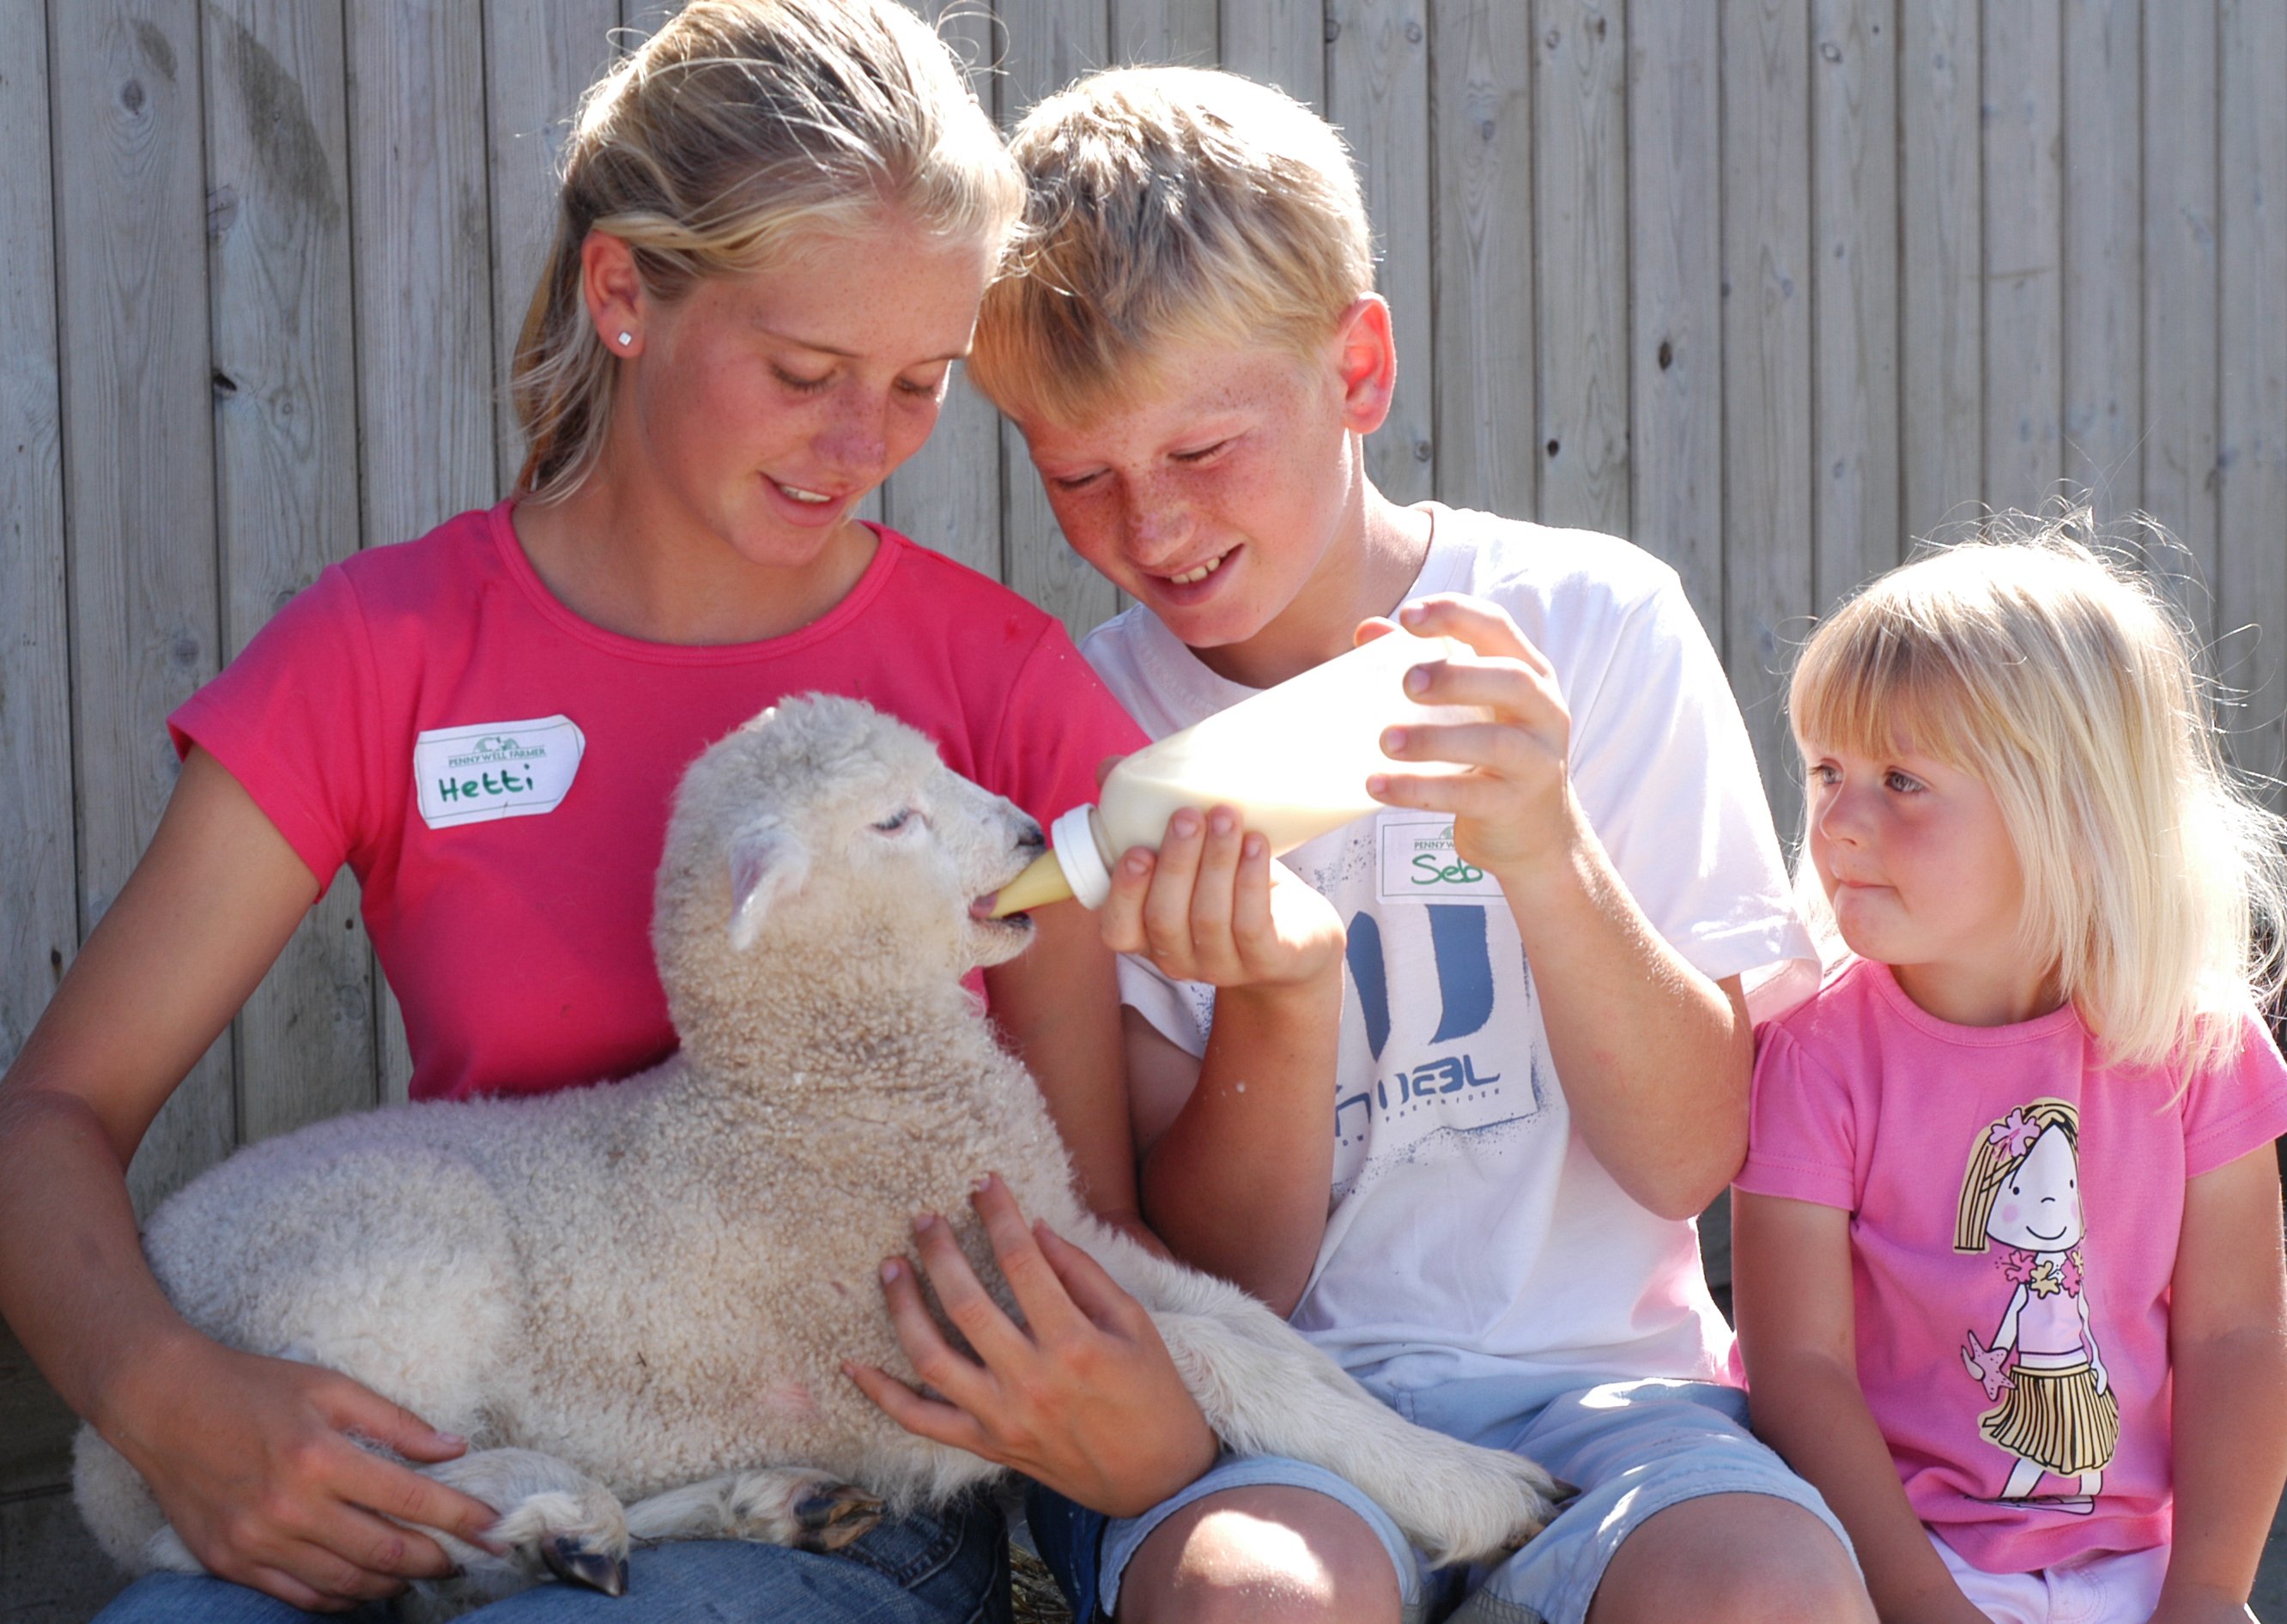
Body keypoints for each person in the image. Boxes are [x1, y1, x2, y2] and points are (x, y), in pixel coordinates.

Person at [0, 3, 1185, 1618]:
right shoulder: (387, 654)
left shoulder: (989, 681)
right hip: (452, 1450)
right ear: (621, 291)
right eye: (801, 371)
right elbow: (49, 1118)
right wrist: (167, 1401)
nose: (864, 447)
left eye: (919, 384)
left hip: (832, 1487)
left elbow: (1079, 1224)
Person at [937, 64, 1874, 1624]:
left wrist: (1541, 846)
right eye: (1078, 474)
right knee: (1254, 1601)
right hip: (1274, 1416)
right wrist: (1275, 1005)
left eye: (1201, 449)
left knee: (1763, 1593)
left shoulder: (1592, 626)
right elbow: (1225, 1286)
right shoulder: (1077, 734)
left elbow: (1689, 1153)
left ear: (1355, 365)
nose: (1149, 527)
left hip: (1616, 1401)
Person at [1732, 529, 2287, 1624]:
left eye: (1901, 779)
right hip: (1883, 1559)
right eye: (1828, 770)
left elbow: (2238, 1335)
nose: (1839, 821)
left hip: (2147, 1565)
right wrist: (1919, 1598)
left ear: (2074, 813)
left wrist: (2213, 1591)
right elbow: (1795, 1365)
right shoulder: (1808, 1050)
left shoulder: (2203, 1046)